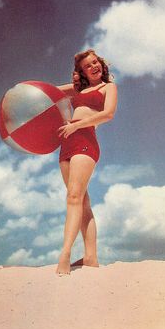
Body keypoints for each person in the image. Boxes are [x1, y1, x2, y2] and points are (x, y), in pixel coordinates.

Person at [56, 49, 118, 276]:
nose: (93, 67)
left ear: (101, 64)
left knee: (73, 198)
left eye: (95, 62)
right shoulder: (77, 90)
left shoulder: (108, 87)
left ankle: (64, 254)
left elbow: (108, 114)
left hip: (85, 139)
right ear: (81, 72)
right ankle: (90, 257)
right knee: (82, 202)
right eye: (87, 66)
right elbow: (50, 92)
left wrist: (76, 125)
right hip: (67, 141)